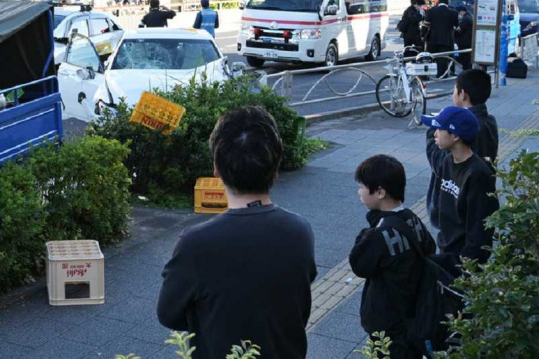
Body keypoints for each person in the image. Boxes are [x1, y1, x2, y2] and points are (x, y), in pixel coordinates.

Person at [157, 106, 317, 359]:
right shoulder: (300, 231)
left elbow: (169, 314)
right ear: (275, 166)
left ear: (216, 168)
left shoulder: (196, 243)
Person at [350, 155, 436, 359]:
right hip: (414, 314)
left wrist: (368, 231)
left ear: (380, 192)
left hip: (387, 321)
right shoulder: (412, 218)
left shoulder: (379, 233)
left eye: (362, 186)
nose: (359, 192)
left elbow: (359, 265)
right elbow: (430, 248)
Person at [422, 106, 500, 277]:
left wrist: (468, 263)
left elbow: (480, 227)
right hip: (446, 249)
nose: (435, 133)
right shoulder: (447, 161)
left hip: (465, 260)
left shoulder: (478, 174)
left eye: (439, 129)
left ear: (455, 136)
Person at [426, 69, 498, 233]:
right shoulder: (489, 121)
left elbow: (440, 165)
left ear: (462, 94)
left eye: (454, 90)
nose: (453, 94)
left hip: (456, 210)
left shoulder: (463, 129)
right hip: (478, 204)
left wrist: (433, 133)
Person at [422, 0, 458, 77]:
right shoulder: (453, 12)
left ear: (438, 1)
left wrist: (422, 35)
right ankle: (442, 74)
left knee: (430, 57)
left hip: (432, 38)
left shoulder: (431, 11)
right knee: (443, 58)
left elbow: (426, 25)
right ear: (447, 2)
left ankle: (426, 75)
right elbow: (456, 25)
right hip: (447, 38)